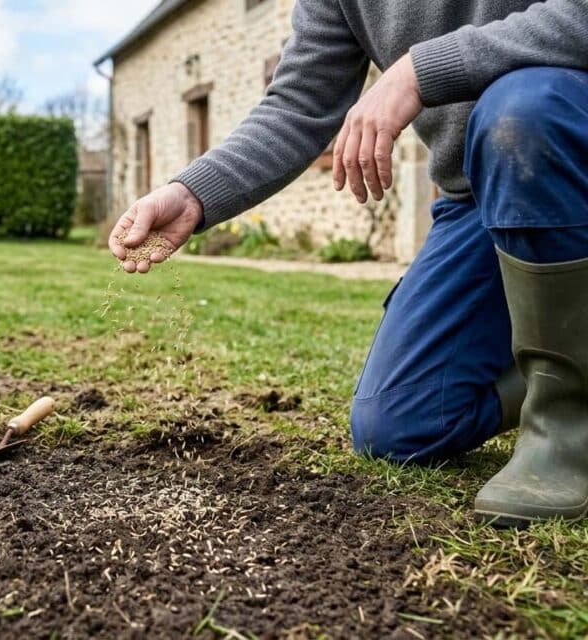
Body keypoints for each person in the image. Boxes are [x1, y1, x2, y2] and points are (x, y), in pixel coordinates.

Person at [109, 1, 588, 527]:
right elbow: (298, 106)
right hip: (479, 198)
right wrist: (194, 193)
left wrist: (417, 71)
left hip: (564, 151)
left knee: (522, 110)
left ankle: (569, 428)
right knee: (402, 421)